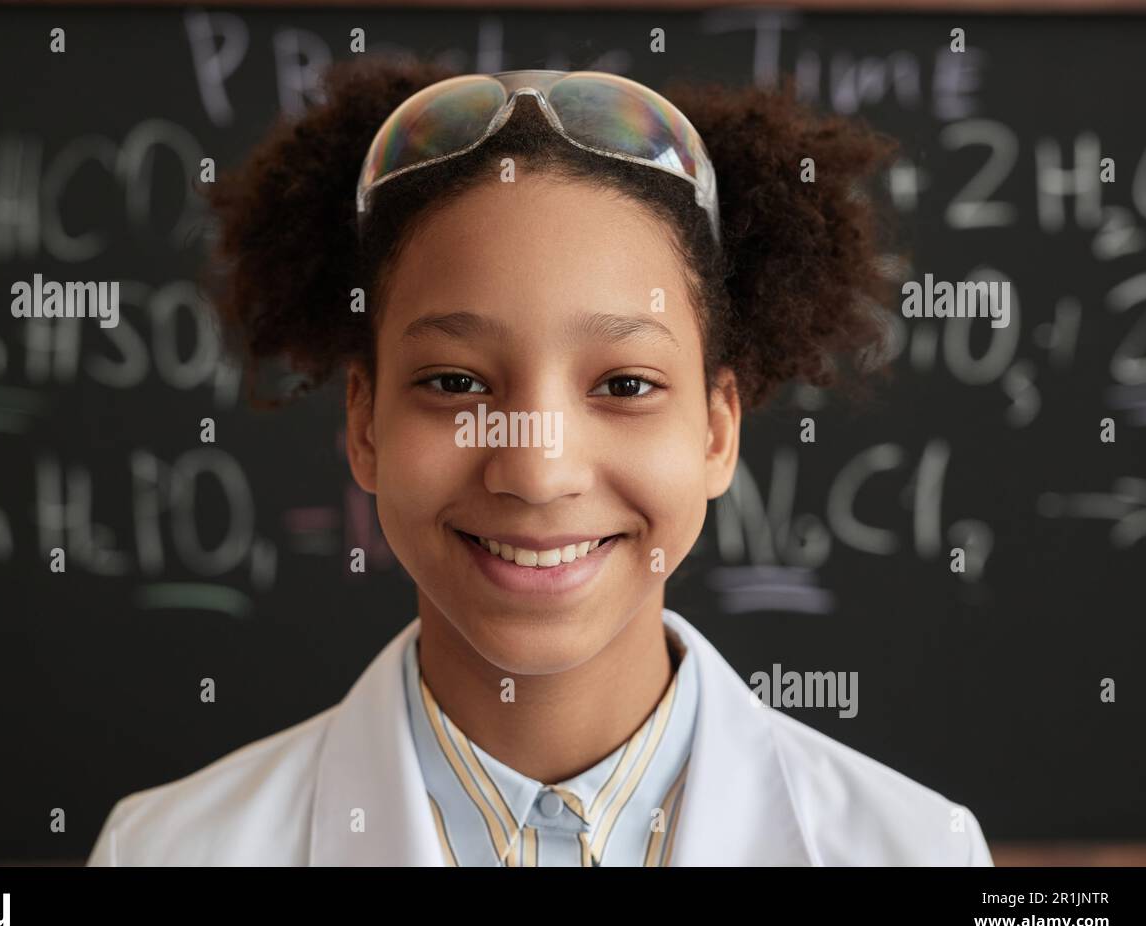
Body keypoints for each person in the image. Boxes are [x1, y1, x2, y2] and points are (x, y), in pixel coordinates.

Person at [87, 58, 993, 866]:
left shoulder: (914, 851)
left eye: (626, 385)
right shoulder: (165, 851)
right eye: (454, 382)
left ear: (719, 429)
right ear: (363, 423)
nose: (536, 468)